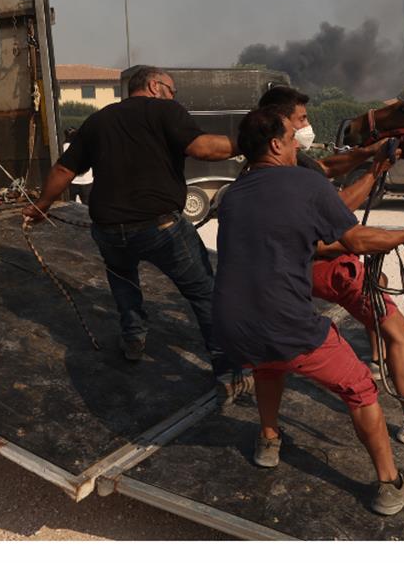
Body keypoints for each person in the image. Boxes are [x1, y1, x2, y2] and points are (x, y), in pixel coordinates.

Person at [212, 107, 404, 515]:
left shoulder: (232, 193)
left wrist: (372, 164)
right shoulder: (303, 182)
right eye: (293, 129)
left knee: (269, 364)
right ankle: (391, 484)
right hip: (288, 323)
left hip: (231, 327)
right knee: (360, 388)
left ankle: (268, 441)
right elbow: (355, 238)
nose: (300, 137)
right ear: (276, 144)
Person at [23, 66, 250, 403]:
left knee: (124, 282)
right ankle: (228, 372)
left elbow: (63, 169)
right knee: (204, 293)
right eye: (172, 90)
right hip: (162, 228)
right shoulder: (166, 110)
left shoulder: (99, 120)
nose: (174, 97)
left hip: (109, 231)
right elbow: (203, 148)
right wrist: (254, 143)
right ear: (155, 85)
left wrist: (42, 206)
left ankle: (133, 340)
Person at [256, 86, 404, 449]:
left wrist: (366, 153)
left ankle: (268, 434)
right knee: (397, 328)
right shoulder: (290, 173)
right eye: (301, 121)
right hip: (326, 268)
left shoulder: (277, 162)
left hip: (287, 275)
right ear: (281, 126)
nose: (307, 127)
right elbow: (339, 212)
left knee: (270, 362)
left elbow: (323, 167)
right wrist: (377, 175)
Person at [62, 127, 93, 206]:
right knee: (87, 206)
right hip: (87, 181)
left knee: (71, 205)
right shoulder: (87, 145)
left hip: (71, 180)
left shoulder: (64, 147)